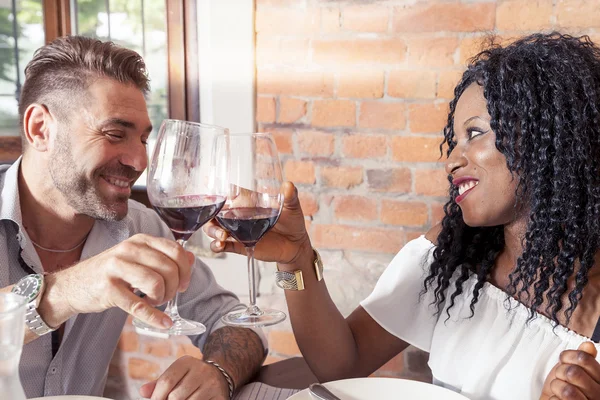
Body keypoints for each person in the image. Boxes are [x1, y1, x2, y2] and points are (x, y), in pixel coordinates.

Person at [205, 32, 600, 400]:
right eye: (455, 139)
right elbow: (342, 363)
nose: (452, 161)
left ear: (549, 139)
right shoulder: (455, 251)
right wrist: (296, 258)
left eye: (475, 133)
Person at [0, 36, 266, 400]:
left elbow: (234, 321)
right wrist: (66, 292)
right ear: (40, 129)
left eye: (142, 139)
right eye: (114, 134)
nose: (139, 161)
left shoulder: (138, 228)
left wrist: (219, 372)